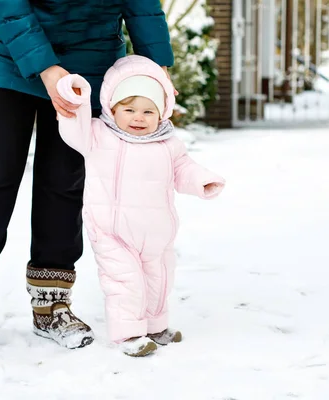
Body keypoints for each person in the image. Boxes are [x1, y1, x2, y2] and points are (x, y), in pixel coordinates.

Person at [0, 0, 176, 363]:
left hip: (88, 55)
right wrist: (44, 66)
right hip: (2, 47)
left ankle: (51, 303)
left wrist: (156, 69)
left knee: (64, 179)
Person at [55, 55, 225, 357]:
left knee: (159, 279)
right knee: (125, 281)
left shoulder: (168, 143)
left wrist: (202, 181)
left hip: (157, 232)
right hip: (112, 229)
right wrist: (75, 94)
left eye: (148, 111)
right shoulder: (97, 134)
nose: (138, 117)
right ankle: (128, 334)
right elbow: (71, 126)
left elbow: (183, 168)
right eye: (129, 109)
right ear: (113, 108)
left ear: (161, 113)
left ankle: (156, 325)